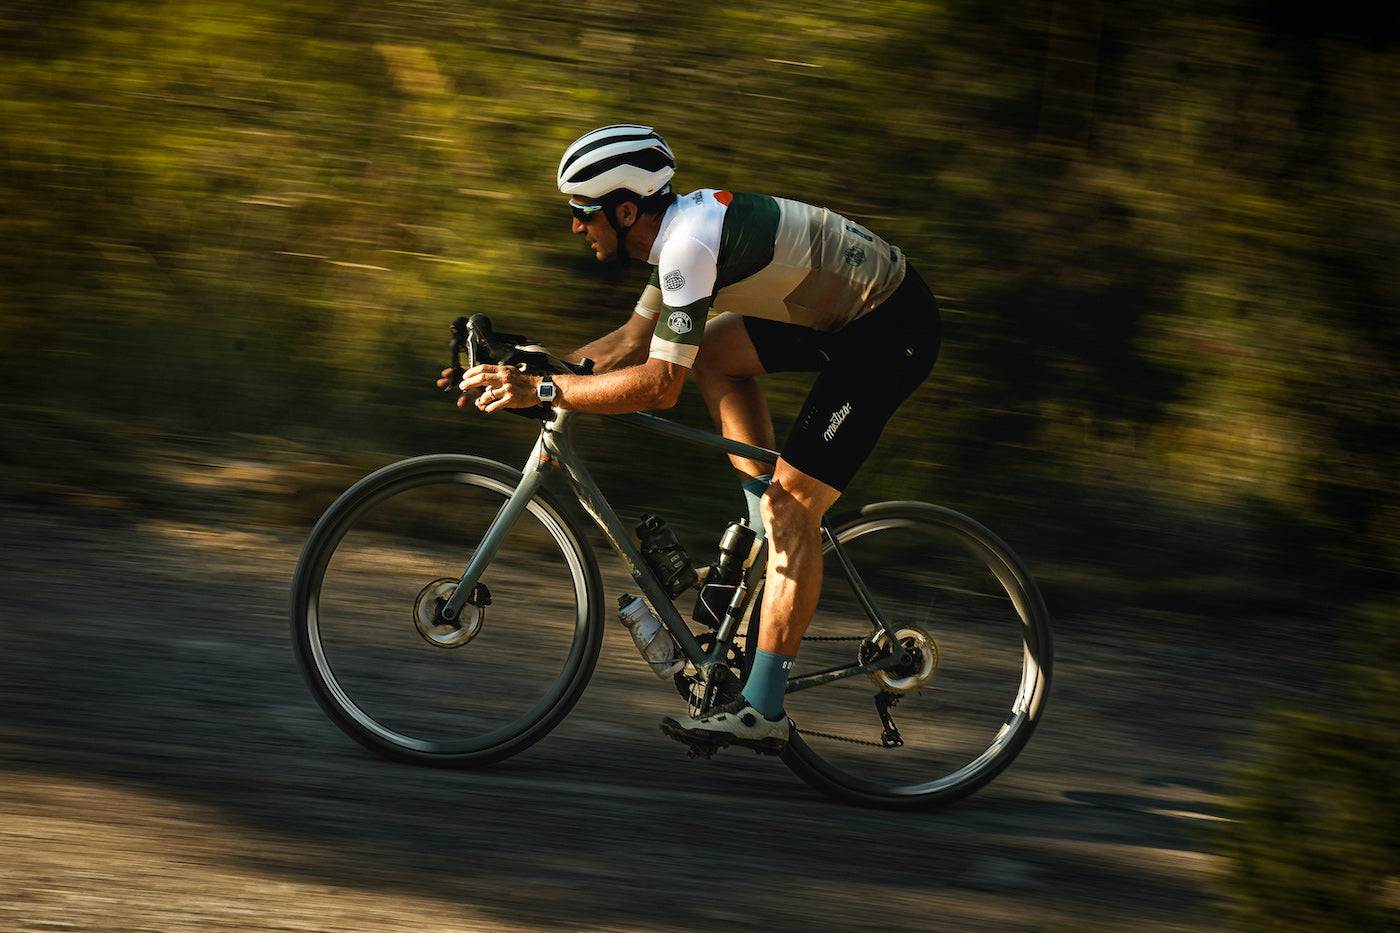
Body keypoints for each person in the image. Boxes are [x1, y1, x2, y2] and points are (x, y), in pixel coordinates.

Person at [454, 124, 941, 755]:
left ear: (625, 210)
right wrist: (527, 371)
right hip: (841, 313)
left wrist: (545, 393)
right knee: (714, 358)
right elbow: (628, 344)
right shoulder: (676, 237)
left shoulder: (687, 248)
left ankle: (763, 708)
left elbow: (658, 386)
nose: (576, 226)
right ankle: (763, 535)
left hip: (888, 328)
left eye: (583, 211)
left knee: (794, 505)